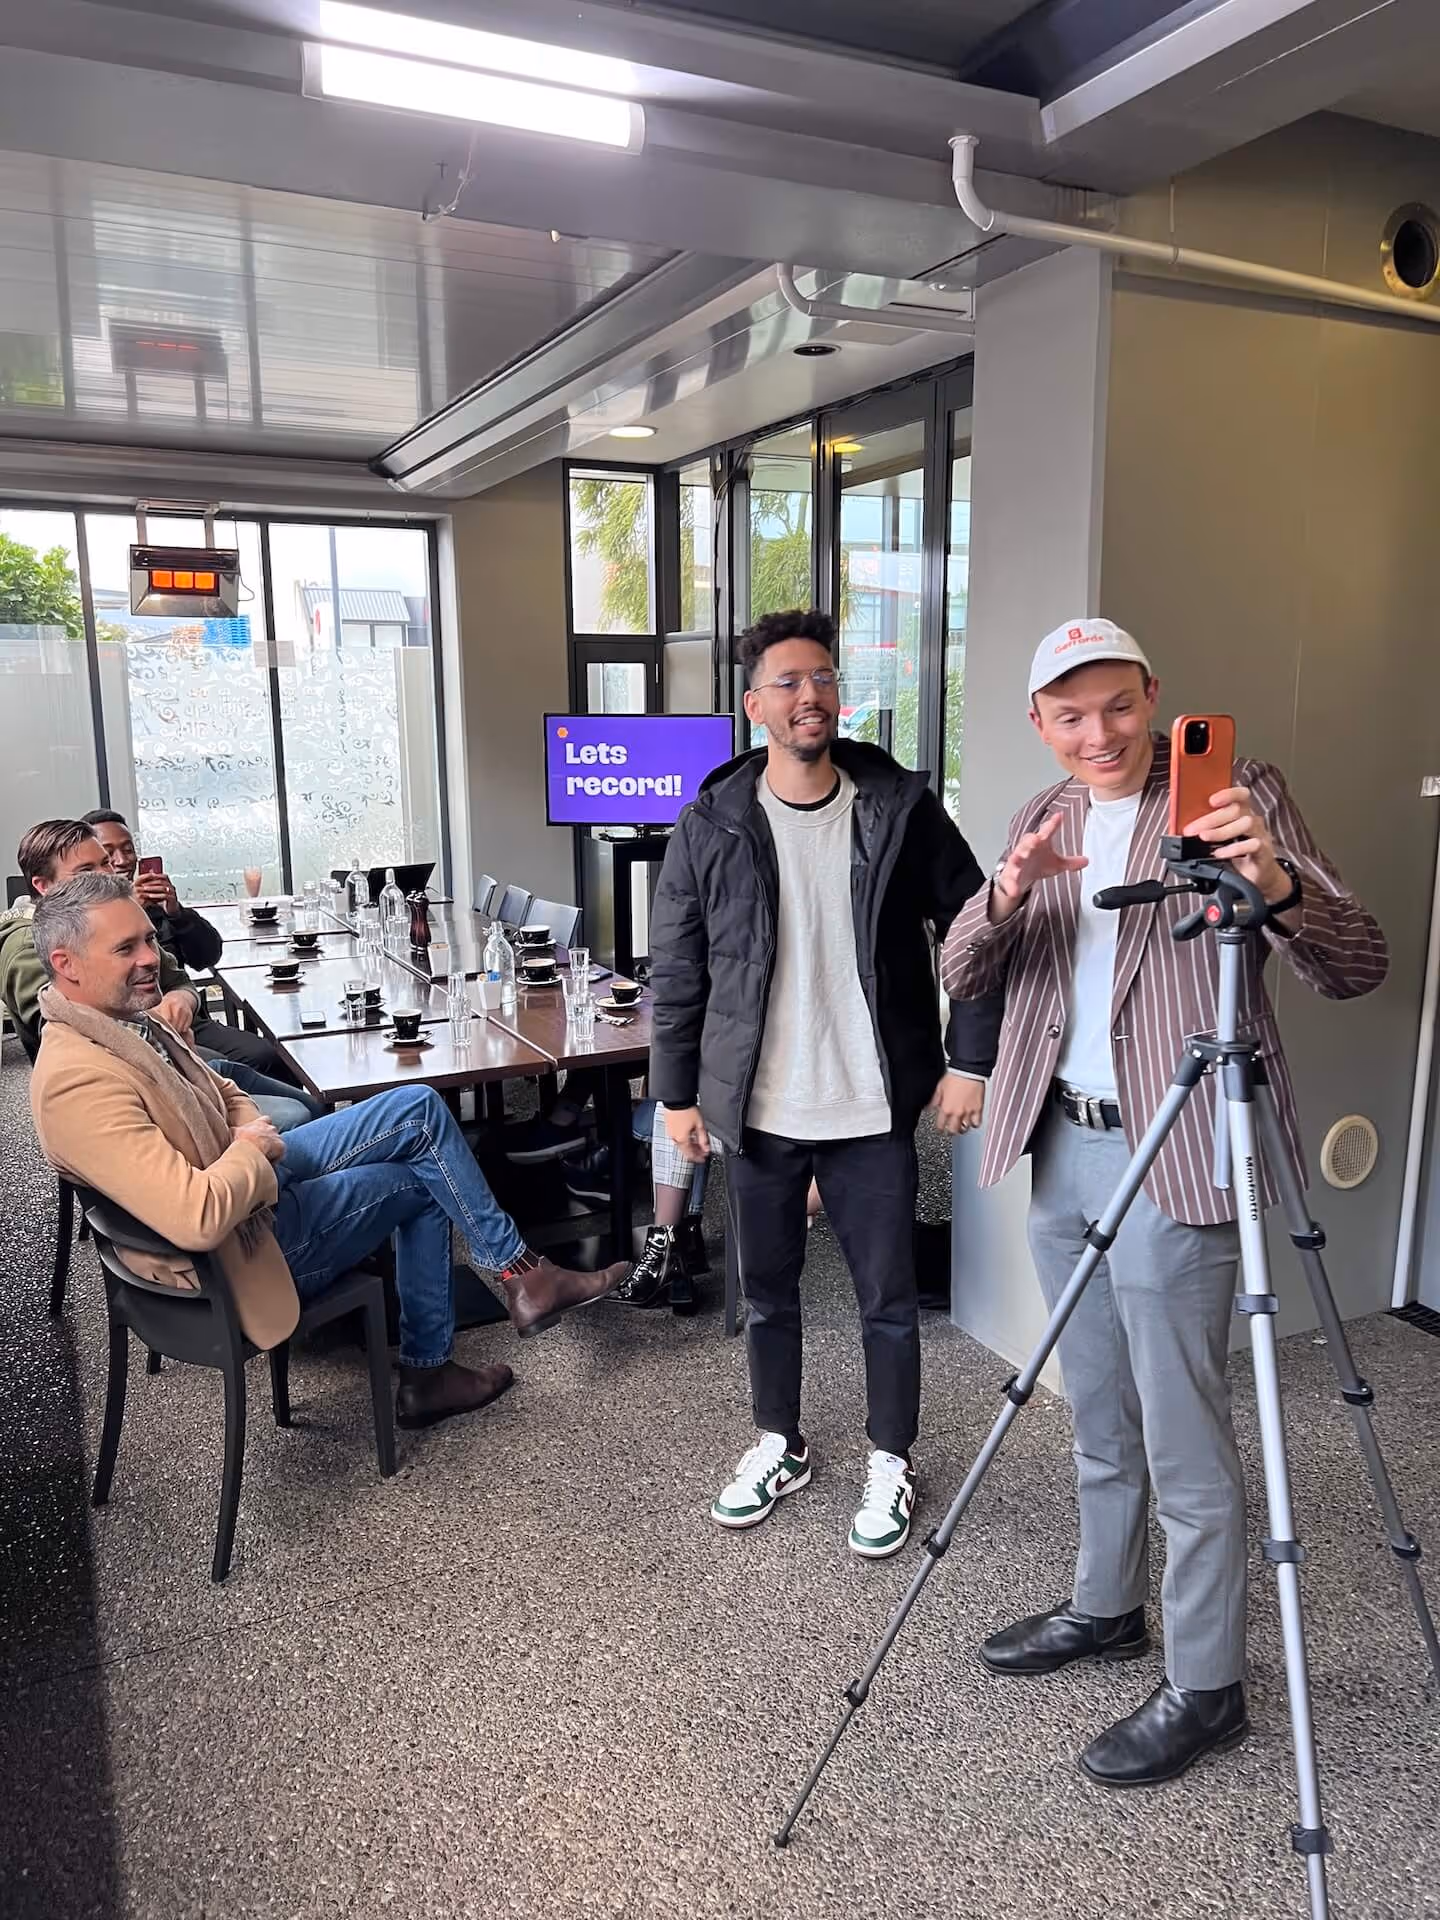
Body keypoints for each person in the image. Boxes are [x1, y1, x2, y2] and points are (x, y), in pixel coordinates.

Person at [941, 617, 1387, 1787]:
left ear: (1157, 698)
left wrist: (1272, 882)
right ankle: (1106, 1607)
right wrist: (1005, 892)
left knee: (1184, 1431)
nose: (1100, 734)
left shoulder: (1239, 798)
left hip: (1182, 1145)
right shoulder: (1039, 817)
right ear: (1041, 724)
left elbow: (1357, 961)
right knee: (1096, 1408)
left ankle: (1207, 1687)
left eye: (1120, 707)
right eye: (1071, 715)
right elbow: (960, 972)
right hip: (1063, 1145)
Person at [649, 607, 1001, 1559]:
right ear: (756, 704)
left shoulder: (898, 808)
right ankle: (781, 1442)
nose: (812, 697)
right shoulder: (712, 822)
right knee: (768, 1294)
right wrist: (676, 1095)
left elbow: (976, 931)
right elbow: (677, 970)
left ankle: (893, 1456)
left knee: (887, 1299)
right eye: (790, 683)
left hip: (868, 1104)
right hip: (759, 1109)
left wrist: (969, 1058)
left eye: (825, 679)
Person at [29, 873, 630, 1430]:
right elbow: (196, 1216)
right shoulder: (77, 1079)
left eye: (148, 940)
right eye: (126, 948)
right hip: (242, 1251)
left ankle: (519, 1276)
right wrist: (251, 1152)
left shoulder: (121, 1023)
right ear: (66, 964)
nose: (150, 959)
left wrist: (249, 1139)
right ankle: (442, 1358)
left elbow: (226, 1091)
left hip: (247, 1178)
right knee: (422, 1179)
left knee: (418, 1107)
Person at [1, 820, 314, 1130]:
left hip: (174, 1053)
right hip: (141, 1083)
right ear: (44, 886)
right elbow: (65, 1025)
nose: (108, 875)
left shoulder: (112, 914)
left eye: (106, 864)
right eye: (86, 872)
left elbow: (181, 974)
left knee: (313, 1105)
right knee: (293, 1113)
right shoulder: (27, 945)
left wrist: (180, 999)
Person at [80, 807, 310, 1094]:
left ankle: (296, 1120)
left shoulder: (156, 905)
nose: (122, 860)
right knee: (259, 1058)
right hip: (141, 1028)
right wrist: (130, 910)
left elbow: (208, 957)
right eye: (108, 853)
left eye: (128, 850)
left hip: (188, 1017)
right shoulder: (87, 919)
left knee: (270, 1052)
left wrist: (176, 913)